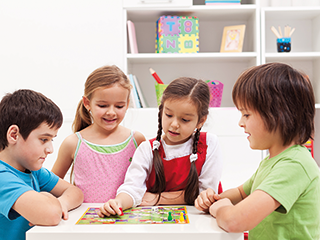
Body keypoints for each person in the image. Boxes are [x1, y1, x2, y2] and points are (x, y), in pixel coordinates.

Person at [195, 62, 320, 240]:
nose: (240, 123)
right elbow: (240, 193)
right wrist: (213, 199)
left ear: (278, 115)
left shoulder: (295, 165)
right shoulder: (272, 162)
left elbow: (234, 222)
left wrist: (219, 208)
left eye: (246, 114)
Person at [98, 77, 223, 217]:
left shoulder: (209, 143)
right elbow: (132, 188)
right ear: (161, 111)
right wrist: (118, 203)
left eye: (185, 120)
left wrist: (158, 198)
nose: (174, 124)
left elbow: (204, 195)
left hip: (198, 221)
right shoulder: (147, 149)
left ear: (201, 121)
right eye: (168, 115)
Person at [52, 65, 145, 203]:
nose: (111, 112)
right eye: (103, 105)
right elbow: (50, 184)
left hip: (127, 219)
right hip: (85, 221)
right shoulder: (73, 143)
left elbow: (147, 183)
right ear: (87, 103)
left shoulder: (137, 140)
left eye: (119, 106)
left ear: (127, 104)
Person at [0, 89, 84, 240]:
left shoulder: (32, 171)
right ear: (14, 135)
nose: (50, 149)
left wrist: (60, 203)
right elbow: (50, 215)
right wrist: (46, 198)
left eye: (52, 140)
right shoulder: (2, 177)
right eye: (44, 140)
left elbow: (76, 192)